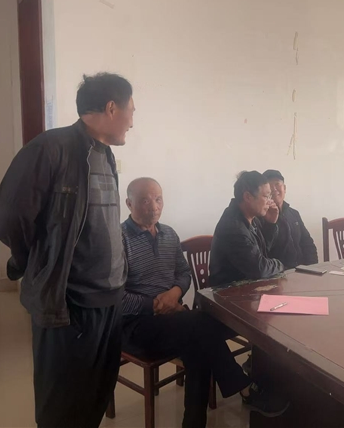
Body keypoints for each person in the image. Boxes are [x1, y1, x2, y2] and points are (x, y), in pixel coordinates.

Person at [0, 73, 135, 428]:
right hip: (68, 304)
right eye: (131, 110)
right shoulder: (50, 149)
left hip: (109, 300)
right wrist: (34, 259)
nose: (133, 120)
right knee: (61, 406)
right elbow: (7, 218)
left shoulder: (106, 156)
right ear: (111, 108)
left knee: (95, 395)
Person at [121, 178, 288, 428]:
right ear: (129, 203)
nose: (153, 206)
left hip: (173, 317)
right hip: (136, 326)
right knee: (201, 327)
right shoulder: (118, 240)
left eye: (158, 199)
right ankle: (244, 387)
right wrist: (155, 304)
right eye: (144, 201)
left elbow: (183, 273)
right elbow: (115, 297)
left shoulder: (169, 234)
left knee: (199, 342)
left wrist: (174, 294)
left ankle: (195, 422)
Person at [209, 171, 284, 286]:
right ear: (247, 197)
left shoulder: (251, 217)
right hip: (227, 292)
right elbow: (259, 269)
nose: (270, 201)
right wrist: (280, 264)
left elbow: (262, 253)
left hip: (248, 287)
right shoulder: (232, 227)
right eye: (266, 196)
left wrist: (270, 224)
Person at [262, 169, 318, 268]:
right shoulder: (261, 217)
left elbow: (308, 244)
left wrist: (312, 268)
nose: (274, 189)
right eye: (270, 186)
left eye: (277, 184)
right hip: (279, 273)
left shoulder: (294, 214)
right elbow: (263, 252)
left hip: (302, 270)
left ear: (284, 188)